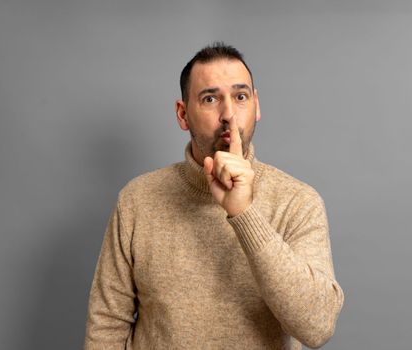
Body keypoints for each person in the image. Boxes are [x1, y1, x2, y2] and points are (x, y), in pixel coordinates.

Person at [84, 42, 344, 349]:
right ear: (183, 115)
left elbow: (317, 325)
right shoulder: (136, 201)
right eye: (210, 98)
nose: (229, 114)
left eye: (240, 96)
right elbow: (107, 325)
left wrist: (244, 213)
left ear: (257, 106)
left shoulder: (298, 201)